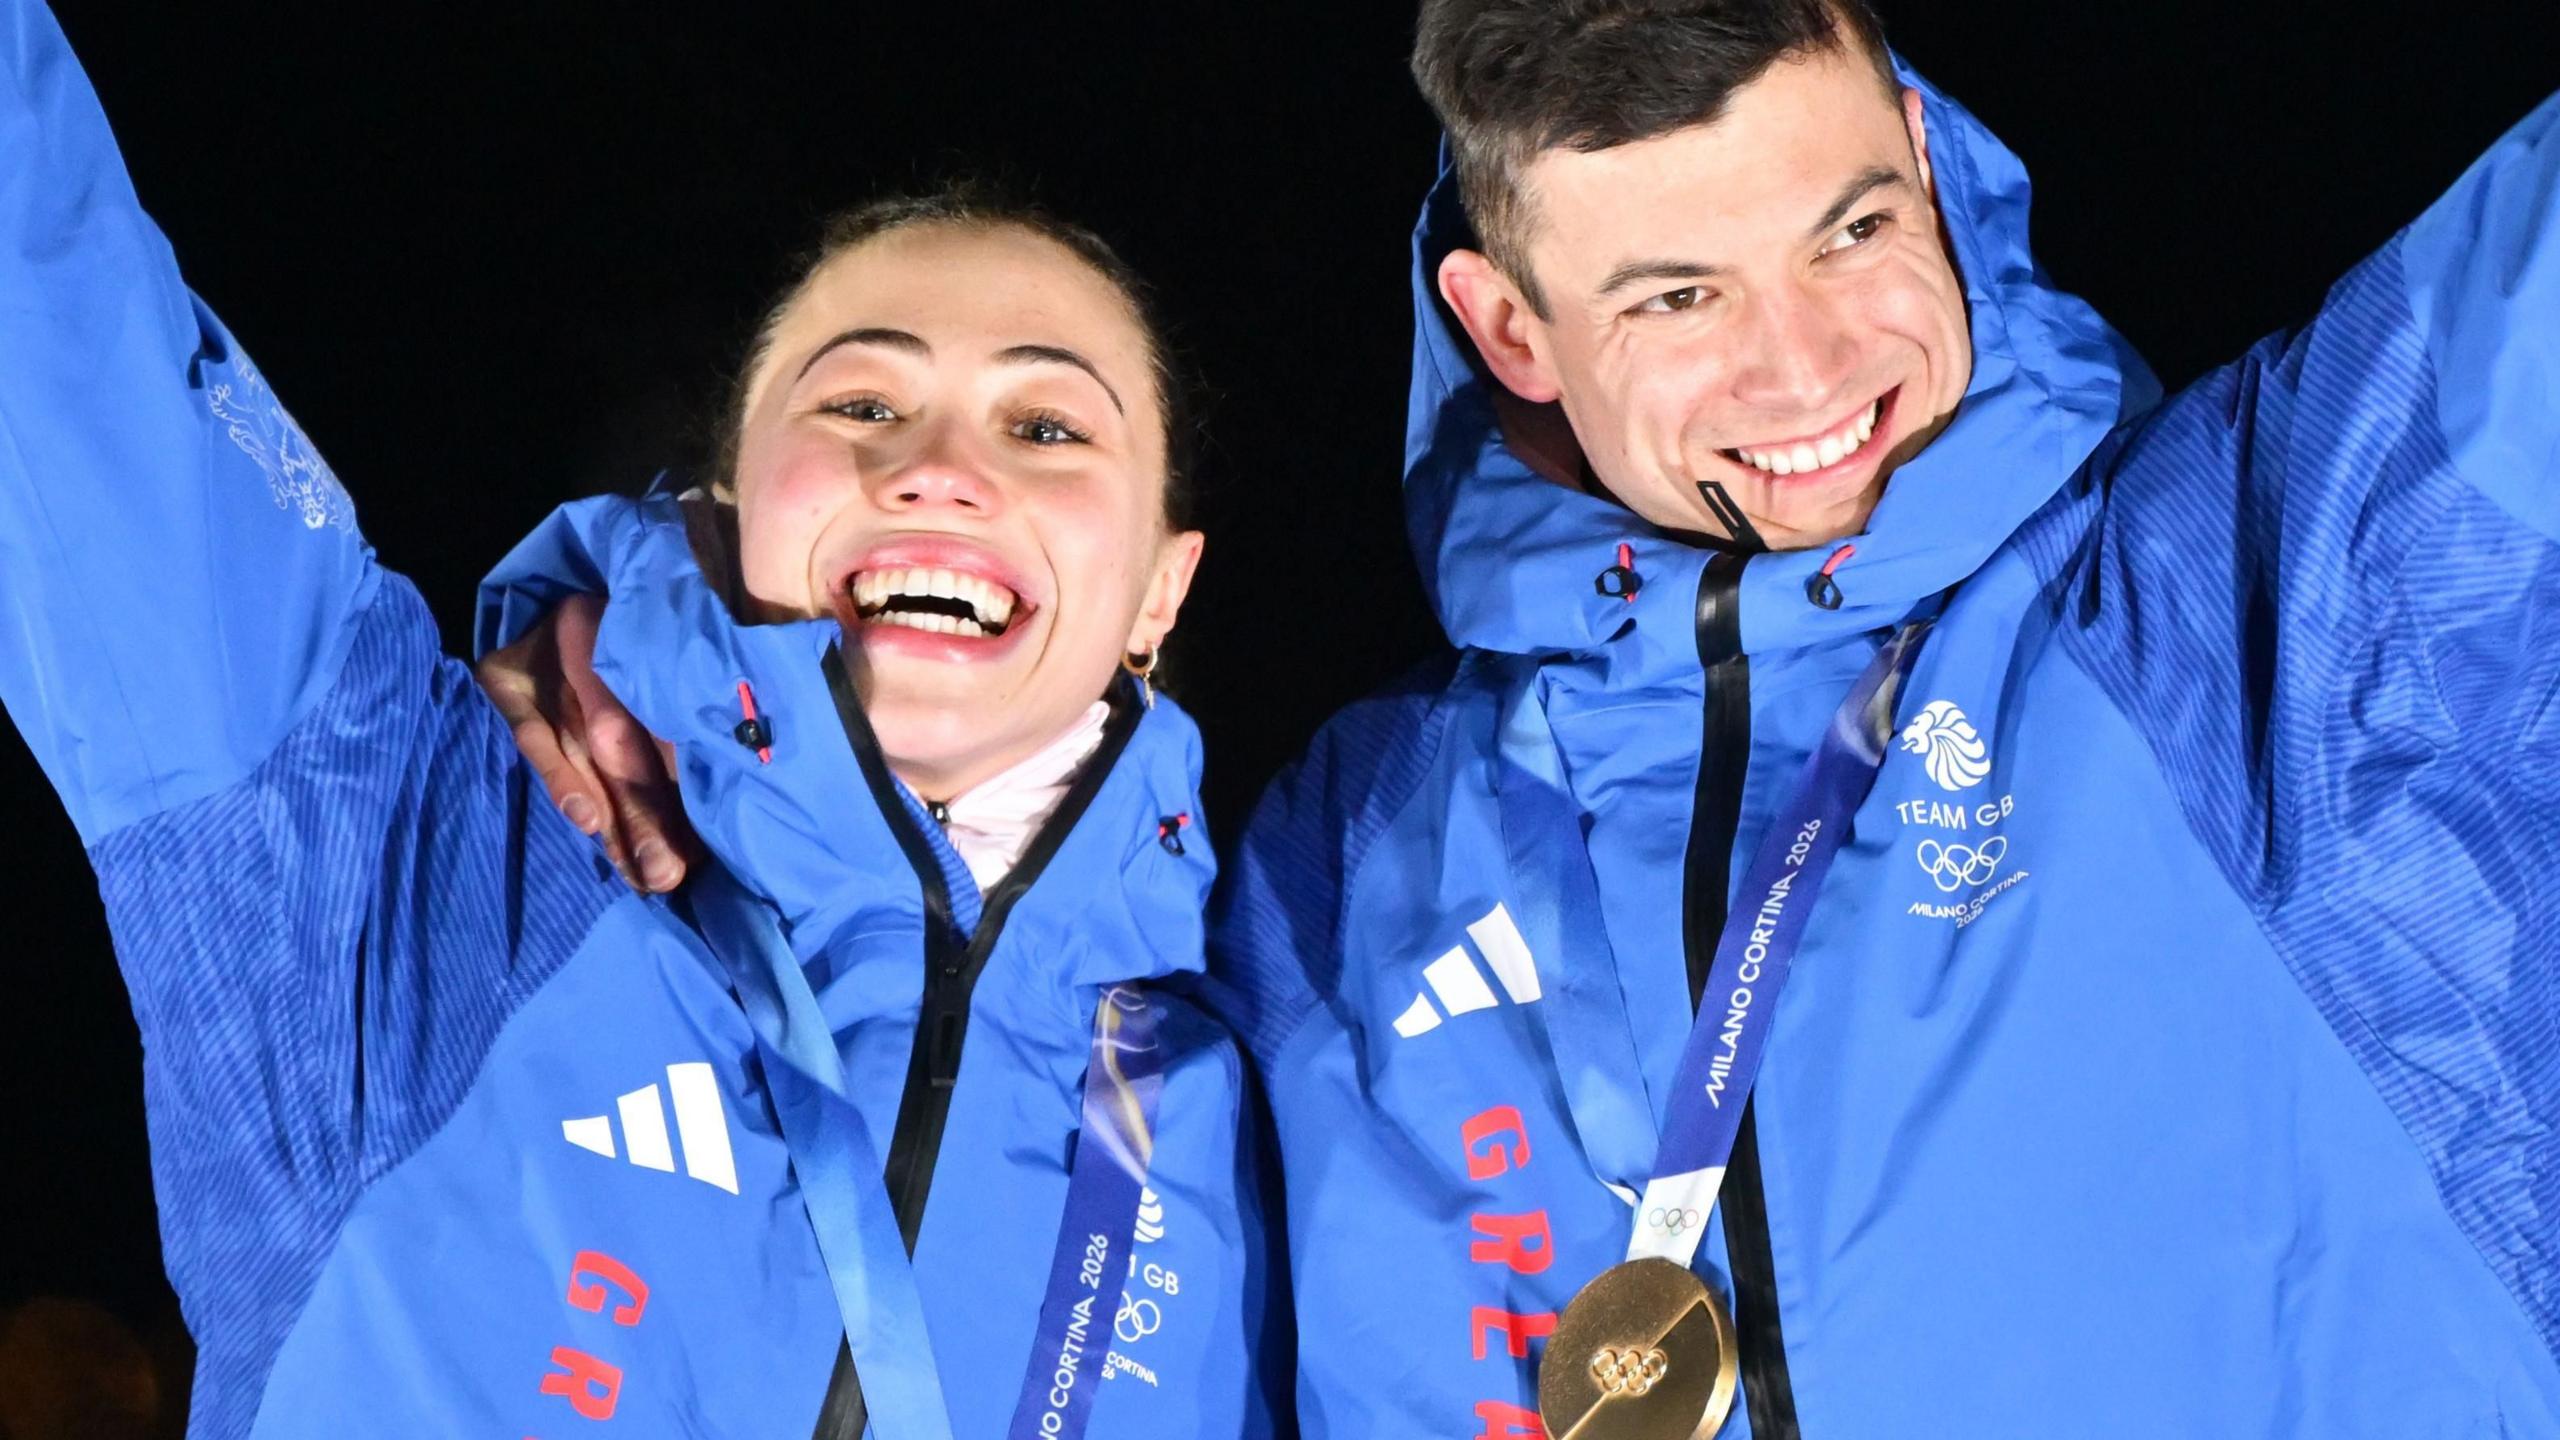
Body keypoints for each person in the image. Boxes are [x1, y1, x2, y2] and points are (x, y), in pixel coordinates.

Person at [485, 1, 2560, 1435]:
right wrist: (670, 638)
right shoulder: (1337, 853)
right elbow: (966, 949)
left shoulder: (2252, 590)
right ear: (1509, 328)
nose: (1807, 360)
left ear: (1925, 157)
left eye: (1850, 228)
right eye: (1676, 297)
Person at [0, 5, 1281, 1437]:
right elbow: (48, 324)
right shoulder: (415, 852)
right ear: (729, 509)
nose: (937, 469)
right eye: (859, 398)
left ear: (1161, 592)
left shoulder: (1280, 1080)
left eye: (1048, 428)